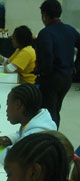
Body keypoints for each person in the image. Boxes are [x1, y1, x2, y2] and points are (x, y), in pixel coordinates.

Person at [35, 0, 80, 128]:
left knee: (47, 113)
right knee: (55, 110)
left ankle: (49, 140)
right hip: (66, 78)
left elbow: (47, 56)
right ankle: (53, 135)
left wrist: (42, 72)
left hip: (50, 78)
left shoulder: (45, 33)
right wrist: (76, 66)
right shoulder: (70, 30)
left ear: (44, 15)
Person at [0, 83, 56, 163]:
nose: (6, 111)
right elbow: (23, 133)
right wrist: (11, 139)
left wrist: (13, 147)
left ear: (18, 105)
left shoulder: (35, 136)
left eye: (8, 105)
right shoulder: (35, 121)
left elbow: (10, 158)